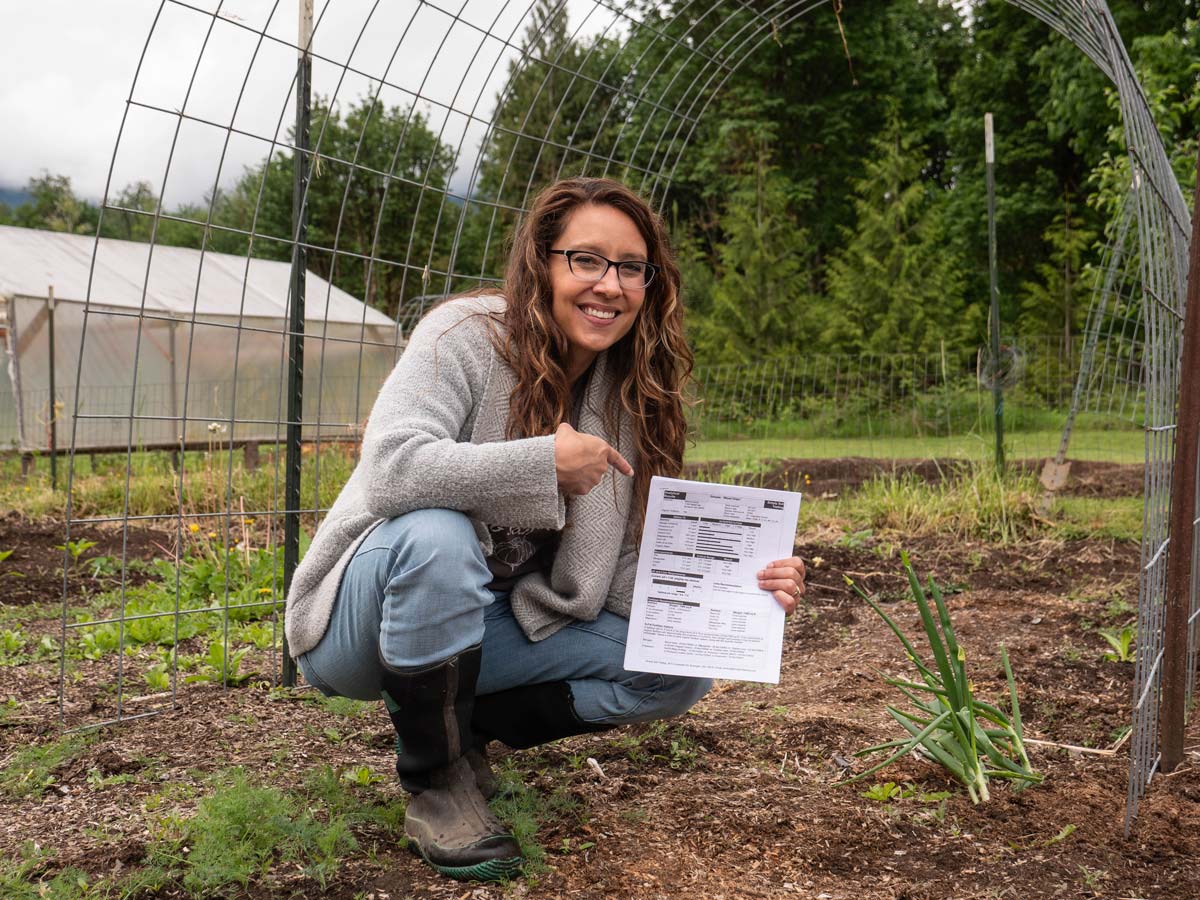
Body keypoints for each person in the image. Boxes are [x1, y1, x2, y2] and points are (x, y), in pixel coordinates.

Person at [284, 177, 807, 882]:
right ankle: (436, 785)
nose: (609, 284)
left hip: (483, 630)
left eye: (631, 267)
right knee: (438, 534)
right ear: (543, 264)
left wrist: (736, 587)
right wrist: (541, 464)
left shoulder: (628, 397)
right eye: (585, 259)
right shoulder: (465, 337)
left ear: (650, 285)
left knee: (677, 670)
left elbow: (618, 569)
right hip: (360, 624)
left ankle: (462, 731)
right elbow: (389, 471)